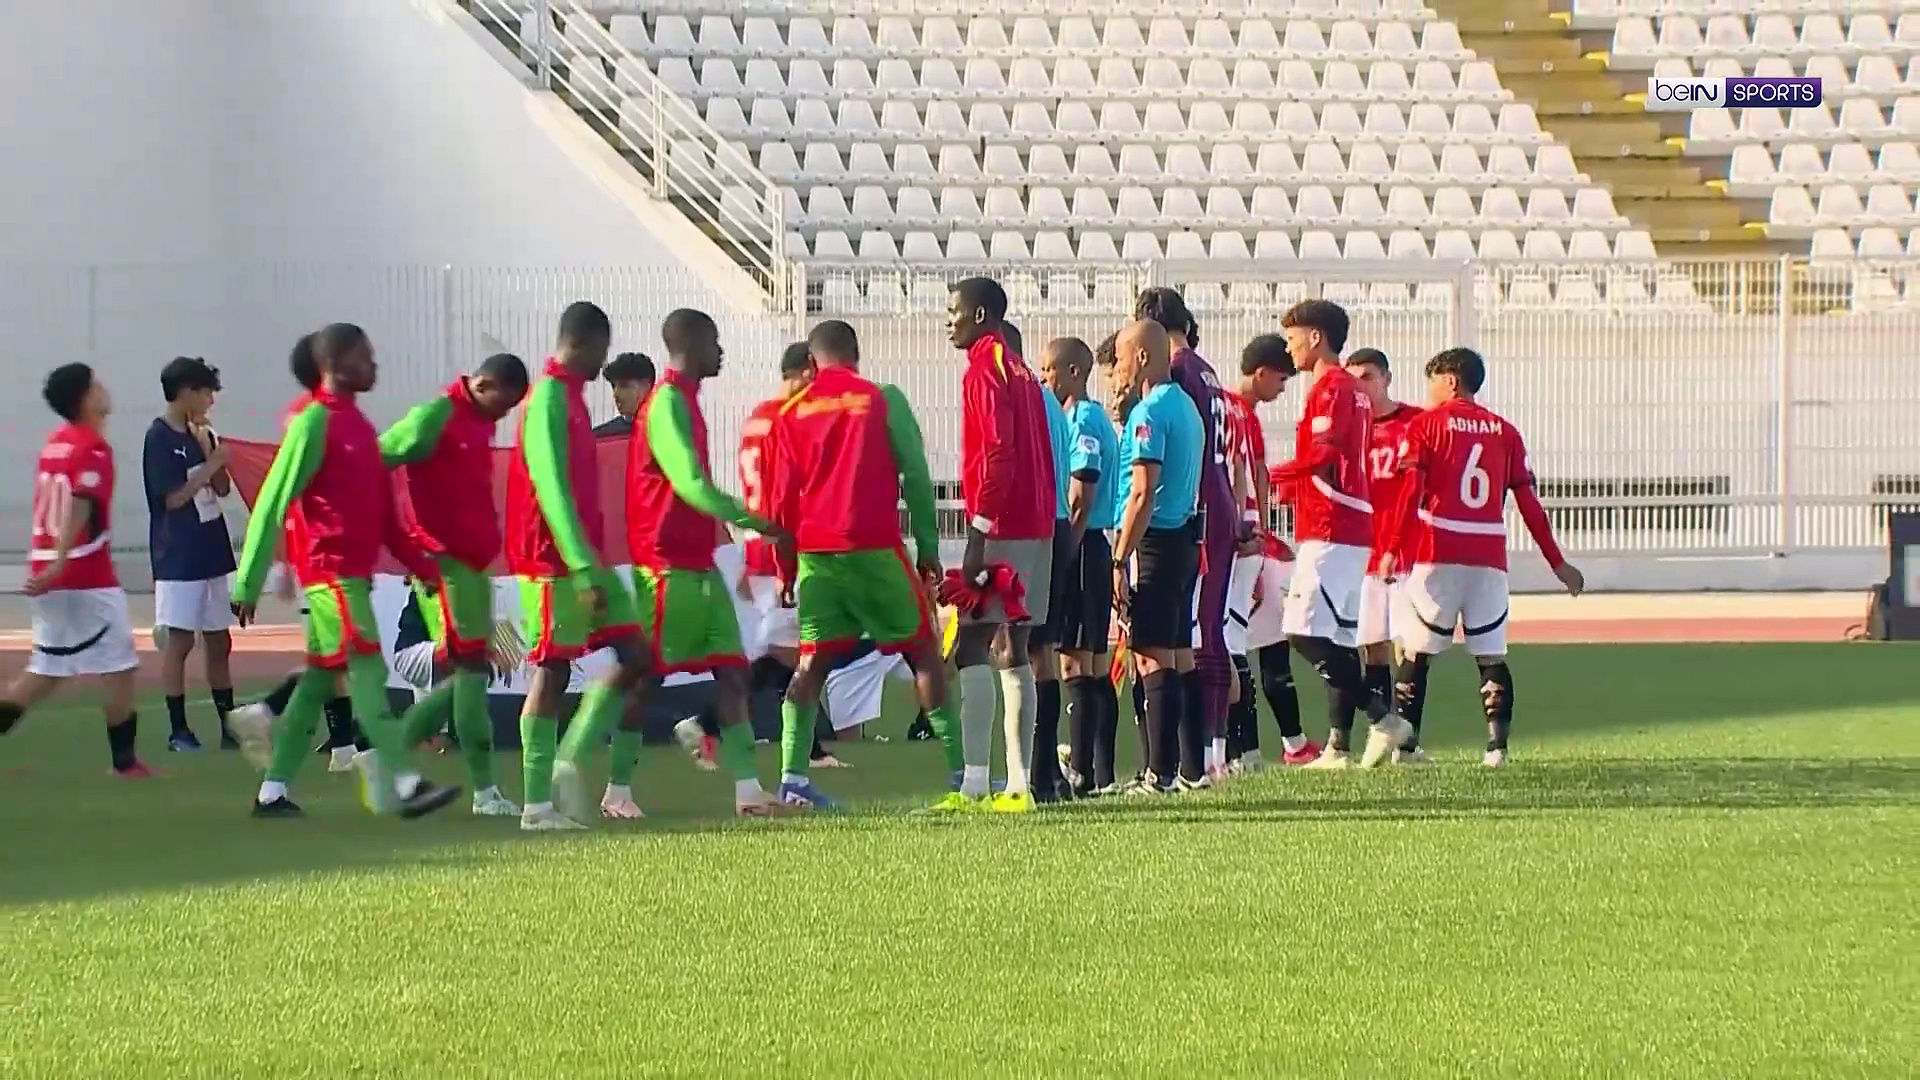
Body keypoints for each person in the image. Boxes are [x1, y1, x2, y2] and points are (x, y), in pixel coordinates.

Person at [228, 323, 461, 819]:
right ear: (335, 364)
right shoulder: (314, 423)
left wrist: (423, 566)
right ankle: (404, 782)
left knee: (316, 685)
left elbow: (383, 516)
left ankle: (272, 794)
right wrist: (250, 578)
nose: (374, 365)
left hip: (353, 576)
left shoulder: (359, 427)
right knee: (369, 671)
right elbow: (274, 498)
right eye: (365, 356)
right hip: (330, 576)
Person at [764, 318, 964, 811]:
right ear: (856, 356)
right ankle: (965, 774)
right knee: (921, 653)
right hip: (874, 550)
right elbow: (916, 476)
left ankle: (792, 779)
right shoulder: (882, 398)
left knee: (811, 662)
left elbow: (779, 506)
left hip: (817, 557)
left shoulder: (791, 413)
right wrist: (929, 551)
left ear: (811, 362)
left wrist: (784, 569)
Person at [1375, 347, 1584, 767]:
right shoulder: (1506, 432)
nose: (1429, 391)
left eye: (1432, 381)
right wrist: (1558, 563)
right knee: (1491, 655)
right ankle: (1497, 749)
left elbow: (1410, 492)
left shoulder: (1425, 425)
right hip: (1488, 556)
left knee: (1417, 652)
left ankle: (1407, 747)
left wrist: (1395, 548)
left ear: (1450, 380)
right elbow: (1529, 505)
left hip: (1438, 550)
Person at [623, 308, 785, 817]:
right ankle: (616, 791)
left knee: (733, 672)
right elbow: (690, 484)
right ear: (692, 344)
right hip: (664, 565)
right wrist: (752, 518)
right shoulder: (667, 403)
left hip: (698, 562)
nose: (722, 352)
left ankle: (746, 793)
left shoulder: (686, 401)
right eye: (715, 342)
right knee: (646, 678)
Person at [507, 301, 654, 830]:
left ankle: (577, 759)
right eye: (604, 351)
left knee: (639, 653)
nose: (605, 365)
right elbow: (549, 487)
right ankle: (536, 807)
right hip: (552, 561)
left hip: (581, 559)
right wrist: (580, 564)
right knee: (551, 669)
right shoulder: (547, 397)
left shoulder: (571, 398)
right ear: (590, 343)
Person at [378, 352, 531, 815]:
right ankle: (484, 794)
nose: (501, 418)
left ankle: (387, 756)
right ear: (482, 384)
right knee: (471, 674)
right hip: (447, 565)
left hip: (472, 566)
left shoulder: (475, 420)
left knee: (470, 674)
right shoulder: (433, 417)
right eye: (501, 406)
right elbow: (374, 459)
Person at [1270, 300, 1411, 769]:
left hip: (1332, 527)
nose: (1288, 347)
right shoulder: (1353, 391)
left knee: (1302, 632)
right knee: (1338, 637)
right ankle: (1338, 748)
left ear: (1316, 337)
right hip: (1350, 526)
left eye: (1293, 337)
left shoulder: (1331, 388)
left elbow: (1325, 457)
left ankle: (1384, 718)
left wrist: (1273, 476)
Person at [0, 364, 146, 777]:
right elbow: (80, 505)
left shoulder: (55, 444)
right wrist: (63, 561)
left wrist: (51, 565)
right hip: (84, 577)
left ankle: (125, 762)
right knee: (119, 667)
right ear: (85, 398)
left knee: (45, 672)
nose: (104, 390)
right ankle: (125, 764)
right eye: (96, 385)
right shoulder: (92, 448)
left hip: (49, 573)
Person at [946, 278, 1056, 812]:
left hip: (1005, 525)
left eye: (955, 312)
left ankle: (974, 782)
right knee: (1013, 648)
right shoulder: (1023, 371)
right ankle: (1017, 785)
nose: (950, 321)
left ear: (981, 314)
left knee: (971, 645)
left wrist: (978, 532)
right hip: (1037, 524)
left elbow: (998, 452)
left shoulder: (985, 367)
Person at [1134, 288, 1246, 782]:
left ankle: (1210, 750)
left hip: (1193, 505)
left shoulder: (1176, 373)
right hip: (1219, 496)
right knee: (1205, 629)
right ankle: (1212, 749)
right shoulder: (1206, 369)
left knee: (1193, 632)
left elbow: (1181, 452)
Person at [1100, 319, 1204, 794]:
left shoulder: (1149, 412)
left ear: (1141, 357)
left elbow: (1142, 492)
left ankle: (1158, 774)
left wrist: (1119, 558)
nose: (1117, 368)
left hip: (1154, 541)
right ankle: (1191, 769)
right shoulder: (1187, 407)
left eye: (1121, 357)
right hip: (1183, 538)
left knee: (1150, 657)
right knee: (1181, 655)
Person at [1222, 334, 1317, 768]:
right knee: (1239, 642)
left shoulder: (1235, 411)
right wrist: (1254, 525)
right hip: (1240, 539)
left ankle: (1257, 749)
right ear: (1261, 372)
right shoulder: (1232, 409)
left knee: (1248, 641)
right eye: (1280, 379)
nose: (1282, 388)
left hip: (1247, 537)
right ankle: (1248, 750)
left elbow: (1254, 472)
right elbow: (1246, 474)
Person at [144, 356, 239, 752]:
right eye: (205, 392)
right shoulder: (160, 438)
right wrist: (209, 465)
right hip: (179, 555)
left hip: (212, 549)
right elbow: (172, 499)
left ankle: (228, 726)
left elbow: (222, 490)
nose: (210, 400)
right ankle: (178, 729)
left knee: (220, 641)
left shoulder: (202, 434)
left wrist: (211, 453)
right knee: (180, 642)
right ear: (185, 392)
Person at [1040, 337, 1120, 797]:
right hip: (1089, 545)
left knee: (1078, 663)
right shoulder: (1081, 418)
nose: (1045, 378)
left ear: (1074, 371)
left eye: (1050, 370)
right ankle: (1095, 771)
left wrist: (1064, 549)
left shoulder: (1084, 419)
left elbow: (1081, 494)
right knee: (1088, 663)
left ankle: (1086, 769)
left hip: (1084, 544)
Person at [1345, 347, 1426, 764]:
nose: (1362, 385)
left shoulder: (1414, 423)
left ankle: (1409, 745)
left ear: (1388, 378)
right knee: (1370, 647)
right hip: (1362, 554)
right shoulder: (1348, 428)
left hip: (1408, 555)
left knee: (1411, 647)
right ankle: (1384, 732)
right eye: (1354, 378)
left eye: (1369, 376)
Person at [1025, 331, 1079, 803]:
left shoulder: (1026, 398)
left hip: (1037, 530)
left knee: (1019, 652)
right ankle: (1047, 776)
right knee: (1042, 655)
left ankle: (1033, 776)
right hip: (1056, 527)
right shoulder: (1052, 405)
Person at [592, 351, 655, 439]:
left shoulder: (666, 429)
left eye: (624, 385)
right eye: (613, 386)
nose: (616, 394)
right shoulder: (601, 435)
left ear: (647, 385)